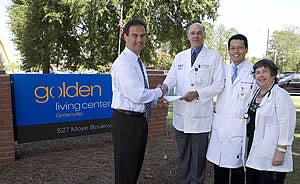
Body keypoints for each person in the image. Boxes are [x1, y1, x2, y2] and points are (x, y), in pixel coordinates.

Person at [160, 23, 224, 184]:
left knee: (197, 160)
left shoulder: (214, 57)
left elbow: (219, 85)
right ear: (187, 36)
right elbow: (171, 78)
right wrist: (164, 88)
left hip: (200, 118)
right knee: (183, 158)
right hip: (181, 117)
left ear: (204, 35)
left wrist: (198, 94)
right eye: (192, 33)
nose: (195, 36)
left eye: (199, 33)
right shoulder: (180, 57)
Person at [110, 19, 163, 184]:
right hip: (127, 123)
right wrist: (160, 91)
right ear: (125, 36)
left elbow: (136, 97)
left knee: (133, 169)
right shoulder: (124, 64)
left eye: (142, 35)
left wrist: (155, 102)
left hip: (137, 121)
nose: (139, 39)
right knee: (126, 172)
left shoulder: (138, 62)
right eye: (134, 35)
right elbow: (137, 95)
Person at [206, 34, 256, 184]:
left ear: (246, 49)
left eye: (240, 48)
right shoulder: (222, 70)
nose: (236, 51)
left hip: (240, 128)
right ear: (228, 50)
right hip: (220, 127)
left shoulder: (253, 71)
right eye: (232, 48)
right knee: (219, 171)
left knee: (238, 172)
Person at [245, 59, 296, 184]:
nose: (261, 75)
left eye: (264, 72)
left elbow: (287, 124)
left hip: (272, 150)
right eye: (257, 72)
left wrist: (281, 150)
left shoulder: (280, 95)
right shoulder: (256, 93)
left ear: (273, 74)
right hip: (253, 148)